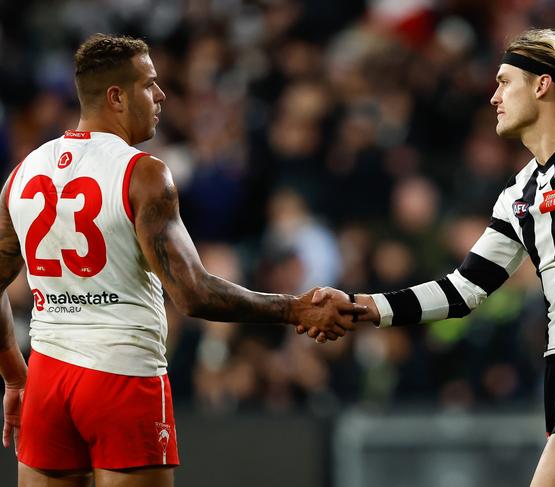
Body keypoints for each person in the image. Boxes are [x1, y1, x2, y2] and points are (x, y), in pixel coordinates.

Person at [0, 34, 364, 487]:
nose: (161, 95)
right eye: (149, 84)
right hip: (121, 375)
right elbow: (193, 294)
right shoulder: (144, 173)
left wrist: (16, 376)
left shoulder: (23, 172)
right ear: (116, 96)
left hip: (47, 379)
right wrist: (295, 308)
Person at [301, 28, 555, 487]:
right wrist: (365, 306)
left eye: (505, 82)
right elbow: (463, 290)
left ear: (542, 84)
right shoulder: (519, 193)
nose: (493, 97)